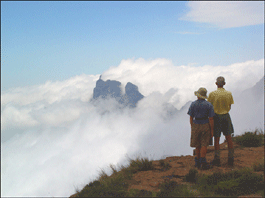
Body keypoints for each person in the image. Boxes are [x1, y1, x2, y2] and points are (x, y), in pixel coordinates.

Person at [208, 76, 234, 167]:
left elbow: (210, 107)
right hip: (226, 116)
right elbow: (230, 106)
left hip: (216, 117)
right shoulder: (229, 94)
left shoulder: (212, 94)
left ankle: (217, 159)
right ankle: (231, 159)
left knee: (217, 138)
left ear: (216, 84)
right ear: (224, 83)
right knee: (229, 138)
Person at [187, 87, 215, 170]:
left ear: (198, 96)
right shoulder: (209, 105)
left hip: (196, 124)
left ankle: (197, 161)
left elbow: (191, 117)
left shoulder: (193, 104)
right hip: (205, 124)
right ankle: (203, 161)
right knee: (204, 144)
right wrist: (212, 129)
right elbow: (211, 118)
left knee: (197, 144)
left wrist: (192, 126)